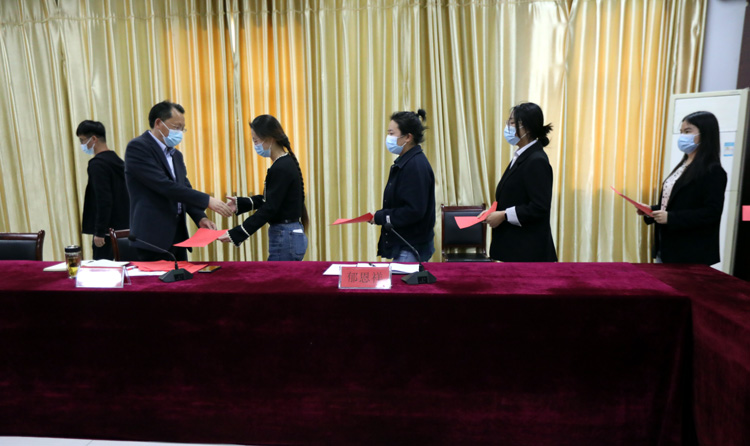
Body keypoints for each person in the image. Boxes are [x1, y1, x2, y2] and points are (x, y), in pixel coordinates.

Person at [124, 100, 232, 261]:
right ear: (158, 123)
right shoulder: (138, 147)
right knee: (158, 277)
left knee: (182, 276)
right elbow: (164, 186)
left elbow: (184, 187)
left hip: (177, 235)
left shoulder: (176, 155)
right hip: (152, 236)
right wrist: (207, 200)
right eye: (176, 127)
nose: (180, 133)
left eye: (182, 128)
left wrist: (200, 217)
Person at [640, 111, 727, 264]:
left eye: (687, 131)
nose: (682, 136)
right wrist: (651, 210)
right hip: (667, 246)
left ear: (705, 134)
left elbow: (711, 212)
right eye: (681, 132)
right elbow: (674, 203)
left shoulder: (713, 171)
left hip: (690, 250)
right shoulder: (683, 165)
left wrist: (671, 218)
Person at [218, 115, 309, 261]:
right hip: (288, 236)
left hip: (286, 237)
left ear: (270, 139)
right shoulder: (284, 163)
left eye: (256, 141)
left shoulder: (281, 167)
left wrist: (239, 232)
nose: (255, 145)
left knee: (277, 276)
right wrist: (241, 203)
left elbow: (270, 207)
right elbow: (272, 199)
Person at [485, 102, 557, 262]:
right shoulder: (522, 156)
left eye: (512, 123)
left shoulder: (536, 160)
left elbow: (540, 207)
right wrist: (493, 211)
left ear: (527, 128)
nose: (508, 127)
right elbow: (515, 196)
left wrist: (504, 215)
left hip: (528, 252)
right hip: (513, 248)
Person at [368, 109, 435, 262]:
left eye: (392, 133)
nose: (388, 138)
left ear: (408, 137)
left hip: (409, 247)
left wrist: (381, 217)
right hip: (405, 244)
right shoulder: (406, 162)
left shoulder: (415, 166)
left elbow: (413, 211)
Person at [77, 120, 130, 260]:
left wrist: (100, 231)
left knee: (102, 269)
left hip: (107, 233)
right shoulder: (118, 162)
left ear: (94, 139)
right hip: (125, 230)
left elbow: (103, 200)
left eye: (82, 140)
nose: (82, 144)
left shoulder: (98, 165)